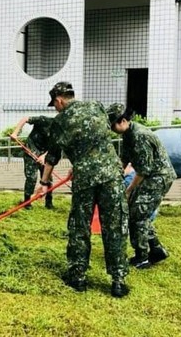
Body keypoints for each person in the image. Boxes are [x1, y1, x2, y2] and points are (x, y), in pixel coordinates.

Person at [38, 81, 130, 298]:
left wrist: (43, 184)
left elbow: (52, 156)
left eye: (54, 104)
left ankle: (78, 277)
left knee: (80, 226)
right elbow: (103, 127)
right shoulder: (96, 106)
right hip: (111, 177)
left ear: (59, 100)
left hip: (85, 180)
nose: (55, 108)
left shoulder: (60, 121)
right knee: (114, 226)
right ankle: (118, 281)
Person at [107, 103, 176, 269]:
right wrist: (114, 176)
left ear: (123, 121)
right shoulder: (128, 134)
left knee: (138, 215)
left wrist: (128, 190)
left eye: (112, 125)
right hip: (149, 177)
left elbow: (144, 170)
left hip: (157, 178)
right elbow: (124, 159)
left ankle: (142, 256)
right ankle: (156, 249)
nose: (111, 129)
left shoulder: (139, 136)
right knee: (137, 212)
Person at [10, 115, 55, 209]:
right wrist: (15, 133)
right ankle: (27, 202)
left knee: (48, 178)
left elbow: (56, 147)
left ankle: (49, 202)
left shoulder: (60, 132)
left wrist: (44, 156)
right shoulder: (44, 120)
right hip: (30, 150)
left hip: (45, 153)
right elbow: (25, 119)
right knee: (31, 177)